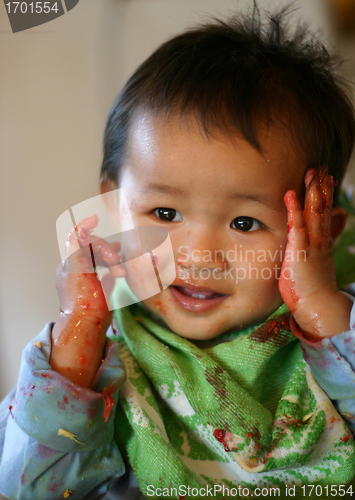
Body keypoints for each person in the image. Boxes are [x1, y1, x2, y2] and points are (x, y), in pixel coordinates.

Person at [1, 4, 355, 500]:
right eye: (164, 214)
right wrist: (79, 328)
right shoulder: (96, 359)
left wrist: (322, 307)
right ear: (112, 208)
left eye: (245, 222)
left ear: (324, 233)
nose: (198, 254)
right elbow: (27, 488)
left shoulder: (336, 337)